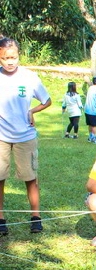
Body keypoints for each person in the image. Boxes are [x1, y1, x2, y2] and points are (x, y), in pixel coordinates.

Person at [0, 37, 51, 235]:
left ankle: (36, 218)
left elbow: (47, 100)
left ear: (19, 56)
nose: (10, 61)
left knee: (30, 178)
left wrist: (32, 111)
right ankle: (1, 219)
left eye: (13, 57)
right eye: (5, 58)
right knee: (0, 178)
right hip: (1, 136)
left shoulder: (29, 77)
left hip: (25, 136)